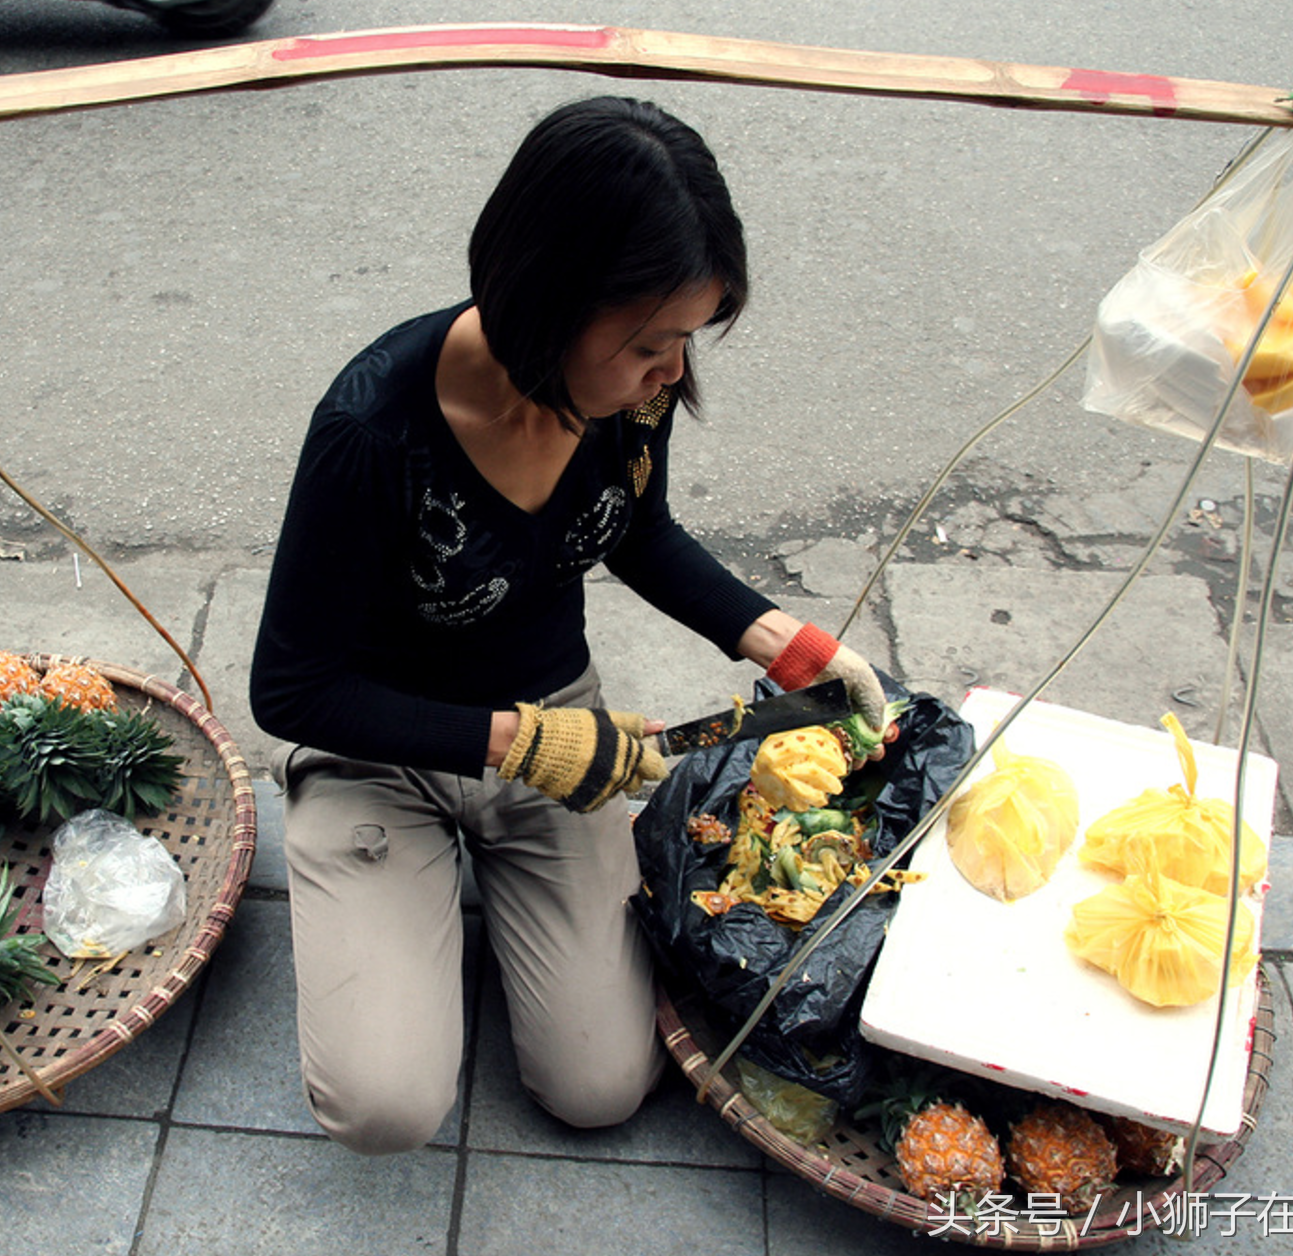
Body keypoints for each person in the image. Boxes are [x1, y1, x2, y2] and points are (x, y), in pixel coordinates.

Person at [249, 96, 891, 1155]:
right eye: (651, 342)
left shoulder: (621, 400)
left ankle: (485, 909)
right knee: (385, 1105)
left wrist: (782, 640)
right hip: (380, 747)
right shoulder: (372, 432)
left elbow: (635, 531)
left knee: (600, 1084)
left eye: (687, 339)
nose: (673, 372)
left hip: (563, 728)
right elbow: (290, 689)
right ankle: (411, 898)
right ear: (550, 303)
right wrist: (515, 745)